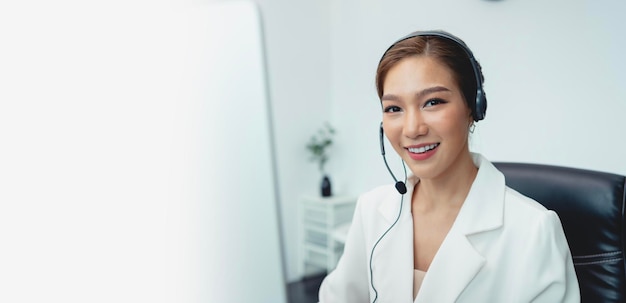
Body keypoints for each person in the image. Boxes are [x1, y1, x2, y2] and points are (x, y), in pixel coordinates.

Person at [317, 30, 580, 303]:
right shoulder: (372, 210)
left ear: (474, 109)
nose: (412, 129)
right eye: (394, 108)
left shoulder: (533, 230)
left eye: (433, 102)